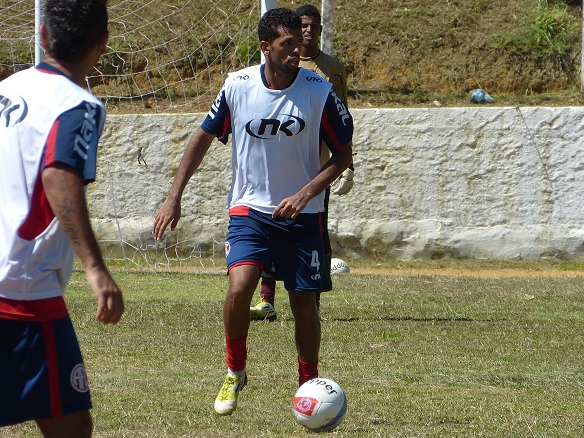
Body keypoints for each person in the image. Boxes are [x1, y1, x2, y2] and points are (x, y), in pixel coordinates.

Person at [152, 7, 353, 416]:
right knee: (239, 288)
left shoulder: (318, 90)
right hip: (249, 211)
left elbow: (343, 155)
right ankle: (235, 370)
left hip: (303, 215)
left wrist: (305, 192)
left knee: (302, 304)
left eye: (301, 42)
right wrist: (174, 196)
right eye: (288, 44)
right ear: (266, 47)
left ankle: (308, 384)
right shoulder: (238, 86)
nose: (298, 50)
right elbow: (203, 136)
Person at [0, 0, 125, 436]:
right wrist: (95, 268)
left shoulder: (7, 88)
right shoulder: (78, 106)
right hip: (21, 286)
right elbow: (58, 176)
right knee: (70, 422)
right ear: (103, 42)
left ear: (42, 35)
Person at [250, 4, 354, 321]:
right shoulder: (275, 64)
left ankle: (313, 296)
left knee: (316, 233)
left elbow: (343, 119)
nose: (308, 32)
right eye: (302, 26)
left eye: (313, 26)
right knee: (268, 225)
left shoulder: (333, 69)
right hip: (278, 160)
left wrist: (348, 163)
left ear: (321, 29)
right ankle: (266, 299)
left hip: (315, 166)